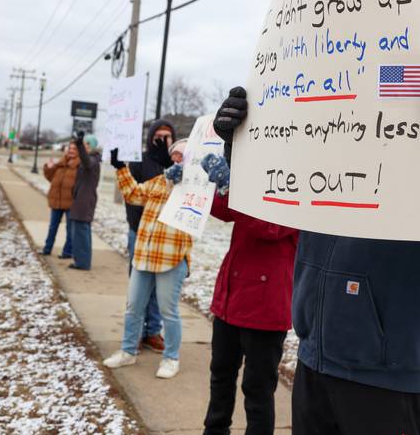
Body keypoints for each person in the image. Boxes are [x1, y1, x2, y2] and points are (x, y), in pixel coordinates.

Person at [213, 74, 420, 435]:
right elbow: (268, 202)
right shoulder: (317, 141)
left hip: (389, 378)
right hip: (312, 357)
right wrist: (243, 149)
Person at [194, 153, 299, 435]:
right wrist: (205, 184)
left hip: (266, 306)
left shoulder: (302, 182)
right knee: (221, 377)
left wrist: (233, 187)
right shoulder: (259, 172)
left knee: (258, 389)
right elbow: (223, 210)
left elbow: (269, 226)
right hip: (232, 297)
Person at [103, 138, 192, 379]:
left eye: (181, 155)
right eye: (173, 154)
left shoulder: (193, 189)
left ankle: (171, 358)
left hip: (171, 259)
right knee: (133, 307)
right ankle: (128, 351)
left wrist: (182, 180)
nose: (176, 158)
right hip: (143, 256)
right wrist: (121, 167)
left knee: (168, 311)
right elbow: (132, 194)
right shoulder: (157, 182)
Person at [123, 120, 177, 354]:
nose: (163, 140)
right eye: (159, 136)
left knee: (159, 292)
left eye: (167, 136)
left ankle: (152, 332)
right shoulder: (140, 160)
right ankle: (134, 335)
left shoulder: (178, 163)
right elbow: (132, 193)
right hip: (141, 232)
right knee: (138, 289)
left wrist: (169, 163)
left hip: (167, 237)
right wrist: (136, 225)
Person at [67, 133, 102, 270]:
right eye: (84, 144)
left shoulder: (93, 160)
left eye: (87, 144)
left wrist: (80, 145)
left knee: (81, 234)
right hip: (81, 200)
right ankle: (80, 261)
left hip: (84, 202)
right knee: (79, 233)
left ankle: (82, 262)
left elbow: (86, 162)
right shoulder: (91, 159)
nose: (85, 146)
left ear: (92, 146)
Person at [41, 143, 79, 258]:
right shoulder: (61, 162)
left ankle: (67, 252)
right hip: (57, 200)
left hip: (70, 202)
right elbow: (50, 177)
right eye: (70, 148)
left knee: (70, 229)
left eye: (74, 149)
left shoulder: (79, 166)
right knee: (52, 226)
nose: (71, 150)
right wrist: (49, 167)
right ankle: (47, 249)